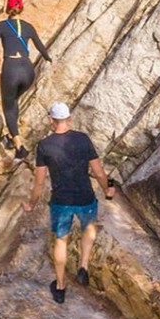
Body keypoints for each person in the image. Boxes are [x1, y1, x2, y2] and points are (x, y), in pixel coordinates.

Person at [23, 101, 116, 305]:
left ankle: (60, 286)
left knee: (61, 241)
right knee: (88, 228)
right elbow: (99, 172)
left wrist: (31, 204)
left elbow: (39, 182)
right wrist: (108, 188)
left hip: (61, 201)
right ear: (69, 119)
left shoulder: (44, 146)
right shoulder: (83, 139)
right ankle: (83, 265)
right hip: (85, 197)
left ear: (51, 120)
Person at [0, 0, 51, 160]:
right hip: (28, 70)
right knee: (14, 101)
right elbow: (40, 47)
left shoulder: (2, 26)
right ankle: (11, 136)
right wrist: (49, 59)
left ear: (8, 8)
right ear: (21, 8)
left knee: (8, 106)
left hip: (11, 68)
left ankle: (19, 147)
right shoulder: (28, 27)